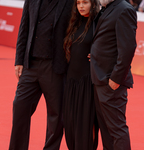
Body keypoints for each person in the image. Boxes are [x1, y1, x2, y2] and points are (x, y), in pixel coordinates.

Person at [8, 0, 74, 150]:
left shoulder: (70, 2)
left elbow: (79, 26)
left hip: (55, 66)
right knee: (20, 107)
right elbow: (24, 27)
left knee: (56, 117)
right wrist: (19, 60)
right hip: (31, 65)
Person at [90, 0, 137, 149]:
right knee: (106, 129)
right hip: (100, 78)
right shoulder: (106, 8)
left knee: (116, 129)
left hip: (111, 81)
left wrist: (116, 78)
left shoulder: (124, 9)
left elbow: (128, 48)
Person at [62, 0, 100, 150]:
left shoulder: (98, 23)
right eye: (78, 3)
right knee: (70, 124)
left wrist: (100, 54)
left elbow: (110, 43)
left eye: (85, 2)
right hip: (71, 81)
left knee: (86, 124)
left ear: (93, 3)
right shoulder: (74, 23)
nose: (81, 6)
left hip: (88, 81)